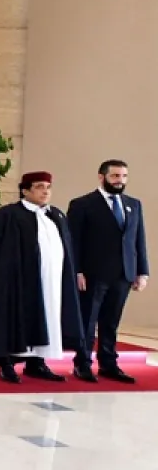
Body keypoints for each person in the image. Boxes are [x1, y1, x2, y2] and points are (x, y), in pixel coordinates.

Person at [0, 172, 92, 383]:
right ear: (25, 190)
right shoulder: (9, 215)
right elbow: (1, 254)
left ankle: (37, 363)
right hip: (19, 282)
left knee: (49, 318)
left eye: (48, 187)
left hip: (52, 282)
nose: (45, 191)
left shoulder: (56, 215)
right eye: (40, 187)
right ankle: (7, 364)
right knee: (14, 320)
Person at [68, 159, 149, 383]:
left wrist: (143, 272)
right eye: (115, 176)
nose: (120, 181)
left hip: (123, 274)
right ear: (101, 177)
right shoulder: (82, 204)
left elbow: (138, 240)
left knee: (111, 322)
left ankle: (109, 364)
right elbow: (74, 242)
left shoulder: (134, 204)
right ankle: (82, 364)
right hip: (92, 274)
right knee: (88, 321)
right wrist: (77, 271)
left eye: (124, 176)